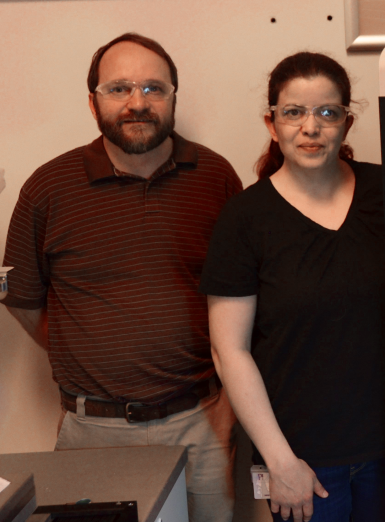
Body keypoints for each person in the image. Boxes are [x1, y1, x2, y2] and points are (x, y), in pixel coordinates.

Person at [1, 33, 242, 522]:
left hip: (201, 422)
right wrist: (89, 351)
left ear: (174, 97)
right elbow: (22, 298)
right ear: (93, 103)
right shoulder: (48, 187)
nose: (138, 103)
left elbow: (242, 295)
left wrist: (226, 408)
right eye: (119, 89)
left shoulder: (216, 177)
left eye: (154, 88)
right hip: (93, 431)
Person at [200, 52, 385, 522]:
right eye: (294, 112)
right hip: (302, 462)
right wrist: (279, 461)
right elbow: (230, 350)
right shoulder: (245, 220)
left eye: (327, 113)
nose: (311, 127)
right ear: (272, 123)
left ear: (347, 124)